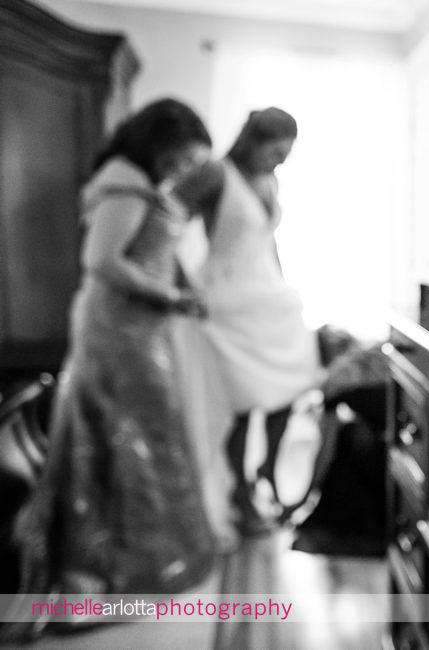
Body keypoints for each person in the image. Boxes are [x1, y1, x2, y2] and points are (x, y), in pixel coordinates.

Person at [15, 98, 216, 601]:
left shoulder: (144, 184)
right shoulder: (124, 180)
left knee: (145, 430)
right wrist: (171, 296)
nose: (188, 169)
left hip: (137, 326)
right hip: (117, 329)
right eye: (185, 157)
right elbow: (101, 260)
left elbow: (153, 251)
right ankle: (110, 568)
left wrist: (183, 288)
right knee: (126, 431)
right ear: (160, 142)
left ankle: (144, 556)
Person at [174, 107, 321, 534]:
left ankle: (268, 477)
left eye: (286, 156)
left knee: (290, 391)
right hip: (225, 299)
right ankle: (240, 491)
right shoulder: (216, 175)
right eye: (275, 152)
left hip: (268, 298)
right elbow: (167, 220)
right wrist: (183, 285)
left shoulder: (269, 180)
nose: (280, 163)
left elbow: (267, 240)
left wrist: (282, 286)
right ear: (254, 142)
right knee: (241, 404)